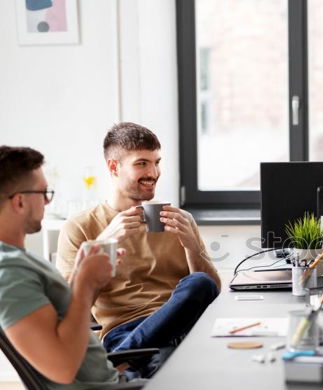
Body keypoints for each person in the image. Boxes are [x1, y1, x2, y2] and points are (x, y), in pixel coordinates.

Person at [0, 146, 153, 390]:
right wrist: (84, 284)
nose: (47, 201)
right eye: (44, 193)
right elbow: (60, 368)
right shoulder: (9, 274)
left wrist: (81, 278)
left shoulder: (22, 261)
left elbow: (58, 324)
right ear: (19, 201)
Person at [56, 122, 220, 377]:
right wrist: (105, 242)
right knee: (164, 361)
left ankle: (119, 362)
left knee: (199, 283)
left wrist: (192, 246)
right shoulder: (80, 226)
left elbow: (212, 291)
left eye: (157, 162)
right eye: (142, 163)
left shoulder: (178, 220)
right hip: (125, 330)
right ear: (114, 167)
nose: (153, 172)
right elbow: (70, 305)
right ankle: (129, 361)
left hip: (181, 324)